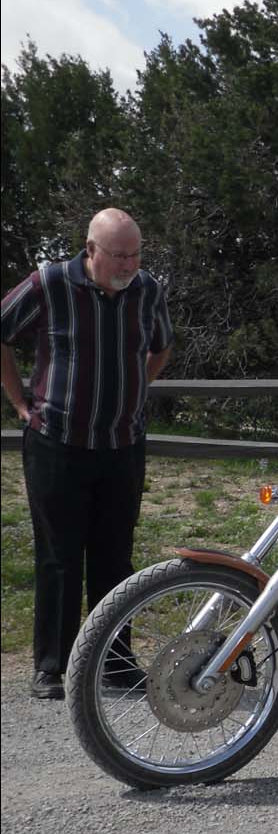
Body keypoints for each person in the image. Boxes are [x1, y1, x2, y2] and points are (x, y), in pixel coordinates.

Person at [1, 209, 173, 700]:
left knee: (114, 558)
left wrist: (137, 388)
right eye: (119, 254)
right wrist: (19, 402)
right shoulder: (49, 284)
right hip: (56, 443)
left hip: (122, 446)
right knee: (58, 558)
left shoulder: (148, 291)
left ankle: (115, 664)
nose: (128, 263)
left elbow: (161, 347)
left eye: (136, 253)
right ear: (90, 250)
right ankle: (51, 668)